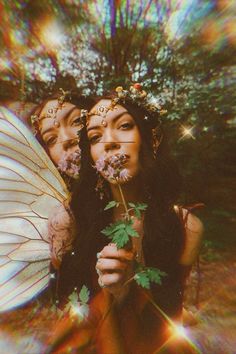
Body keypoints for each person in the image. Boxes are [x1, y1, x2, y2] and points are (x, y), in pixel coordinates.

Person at [48, 84, 203, 354]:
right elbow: (67, 309)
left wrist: (131, 291)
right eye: (95, 137)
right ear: (91, 158)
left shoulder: (186, 226)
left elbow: (168, 316)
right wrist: (110, 298)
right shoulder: (69, 222)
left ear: (150, 139)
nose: (109, 142)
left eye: (124, 126)